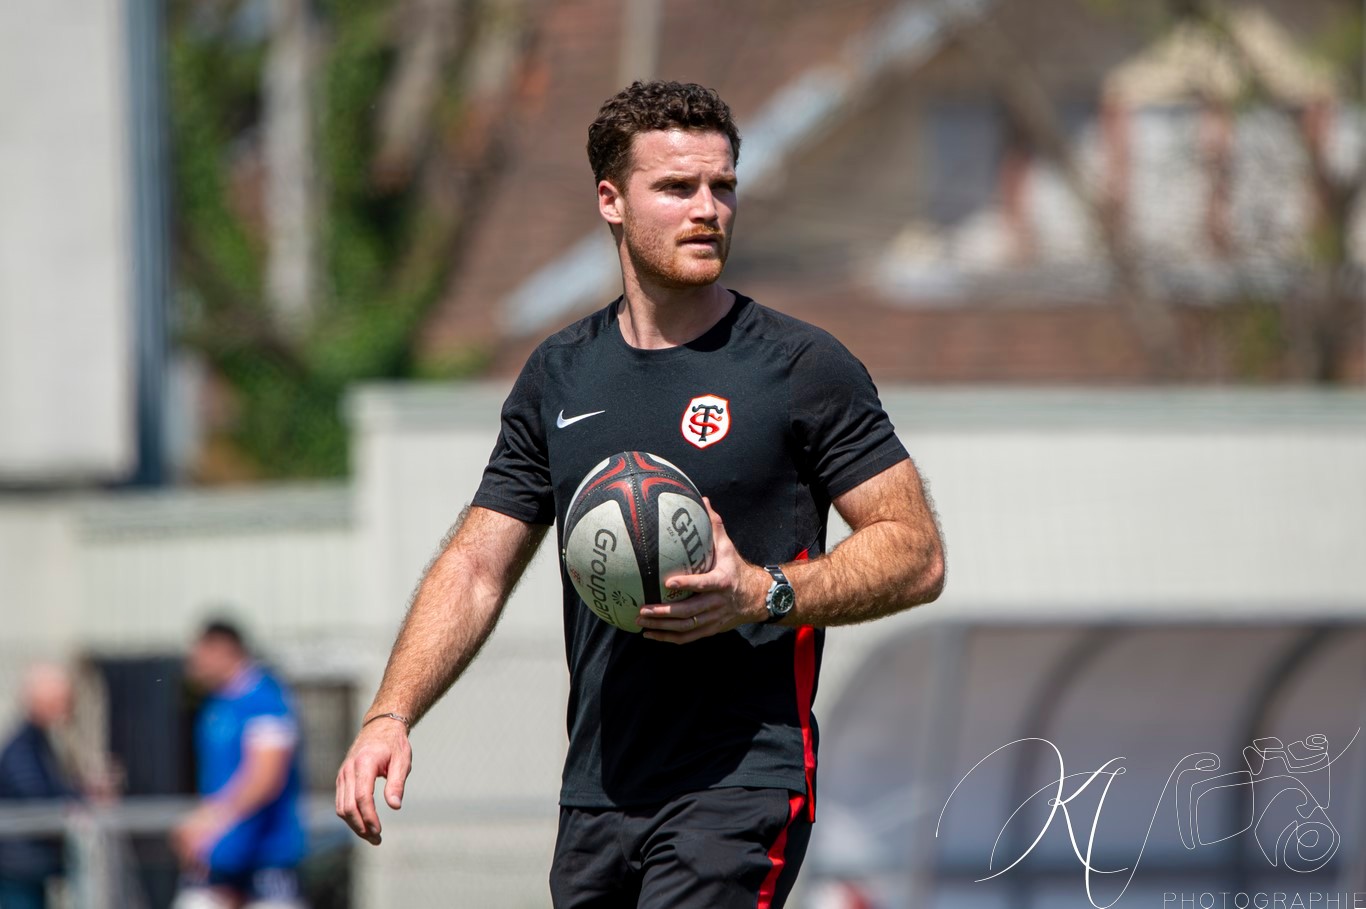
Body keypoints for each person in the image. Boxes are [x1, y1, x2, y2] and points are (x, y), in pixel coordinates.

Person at [335, 80, 946, 907]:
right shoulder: (559, 374)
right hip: (599, 789)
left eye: (722, 186)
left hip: (740, 781)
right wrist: (390, 713)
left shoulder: (800, 367)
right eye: (677, 187)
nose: (708, 209)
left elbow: (914, 550)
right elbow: (477, 565)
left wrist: (762, 592)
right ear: (611, 200)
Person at [172, 620, 306, 908]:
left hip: (266, 858)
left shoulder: (264, 700)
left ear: (223, 650)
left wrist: (210, 821)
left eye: (200, 655)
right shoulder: (216, 704)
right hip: (220, 857)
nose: (193, 664)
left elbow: (266, 778)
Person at [0, 664, 80, 909]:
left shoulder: (39, 742)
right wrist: (75, 803)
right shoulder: (22, 749)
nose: (67, 709)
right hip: (18, 868)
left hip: (28, 866)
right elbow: (38, 797)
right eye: (62, 701)